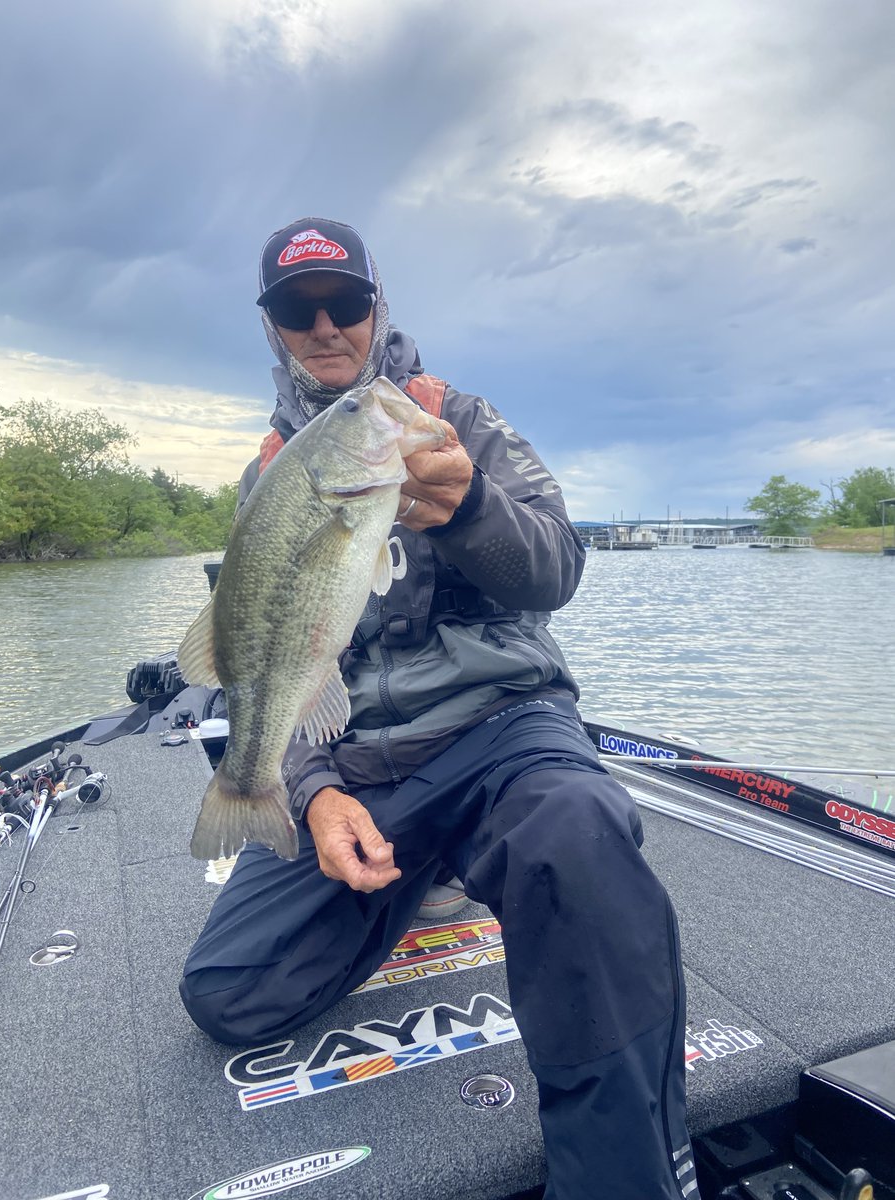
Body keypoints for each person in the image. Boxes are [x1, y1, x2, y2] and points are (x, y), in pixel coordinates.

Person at [179, 217, 701, 1200]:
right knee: (229, 992)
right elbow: (250, 651)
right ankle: (418, 870)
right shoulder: (266, 478)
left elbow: (558, 569)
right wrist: (312, 789)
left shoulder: (461, 421)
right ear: (274, 328)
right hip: (364, 768)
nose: (326, 326)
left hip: (503, 734)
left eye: (347, 303)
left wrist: (467, 511)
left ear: (380, 309)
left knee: (578, 835)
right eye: (299, 310)